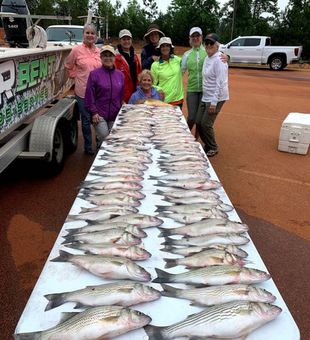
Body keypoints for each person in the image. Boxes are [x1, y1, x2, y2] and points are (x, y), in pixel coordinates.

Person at [64, 23, 101, 155]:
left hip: (97, 93)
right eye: (87, 33)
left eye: (92, 33)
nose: (90, 35)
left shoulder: (99, 51)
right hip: (82, 92)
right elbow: (68, 65)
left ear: (96, 36)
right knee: (85, 120)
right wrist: (76, 76)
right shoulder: (76, 50)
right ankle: (88, 147)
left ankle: (100, 143)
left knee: (98, 119)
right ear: (83, 34)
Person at [196, 33, 229, 157]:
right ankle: (208, 143)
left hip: (217, 97)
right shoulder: (207, 58)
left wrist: (214, 102)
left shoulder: (219, 59)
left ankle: (213, 146)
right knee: (198, 122)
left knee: (206, 124)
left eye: (211, 43)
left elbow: (220, 82)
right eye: (207, 43)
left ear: (217, 45)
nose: (208, 45)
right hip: (206, 95)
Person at [84, 45, 124, 147]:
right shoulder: (94, 74)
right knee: (105, 137)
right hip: (99, 114)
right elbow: (89, 95)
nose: (108, 58)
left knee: (114, 139)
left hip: (115, 113)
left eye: (110, 55)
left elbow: (121, 95)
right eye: (105, 56)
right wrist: (93, 112)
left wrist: (122, 110)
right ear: (100, 58)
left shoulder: (120, 75)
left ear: (114, 58)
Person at [151, 37, 184, 108]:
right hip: (164, 101)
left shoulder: (177, 60)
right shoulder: (155, 65)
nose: (165, 48)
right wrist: (159, 89)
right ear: (159, 48)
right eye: (162, 46)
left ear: (170, 48)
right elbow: (152, 83)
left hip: (178, 100)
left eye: (167, 46)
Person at [114, 29, 142, 103]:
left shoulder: (135, 56)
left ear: (131, 40)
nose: (126, 41)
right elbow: (114, 81)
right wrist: (120, 98)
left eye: (128, 39)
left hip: (135, 93)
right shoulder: (115, 58)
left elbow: (139, 74)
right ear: (120, 41)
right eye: (124, 39)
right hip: (123, 95)